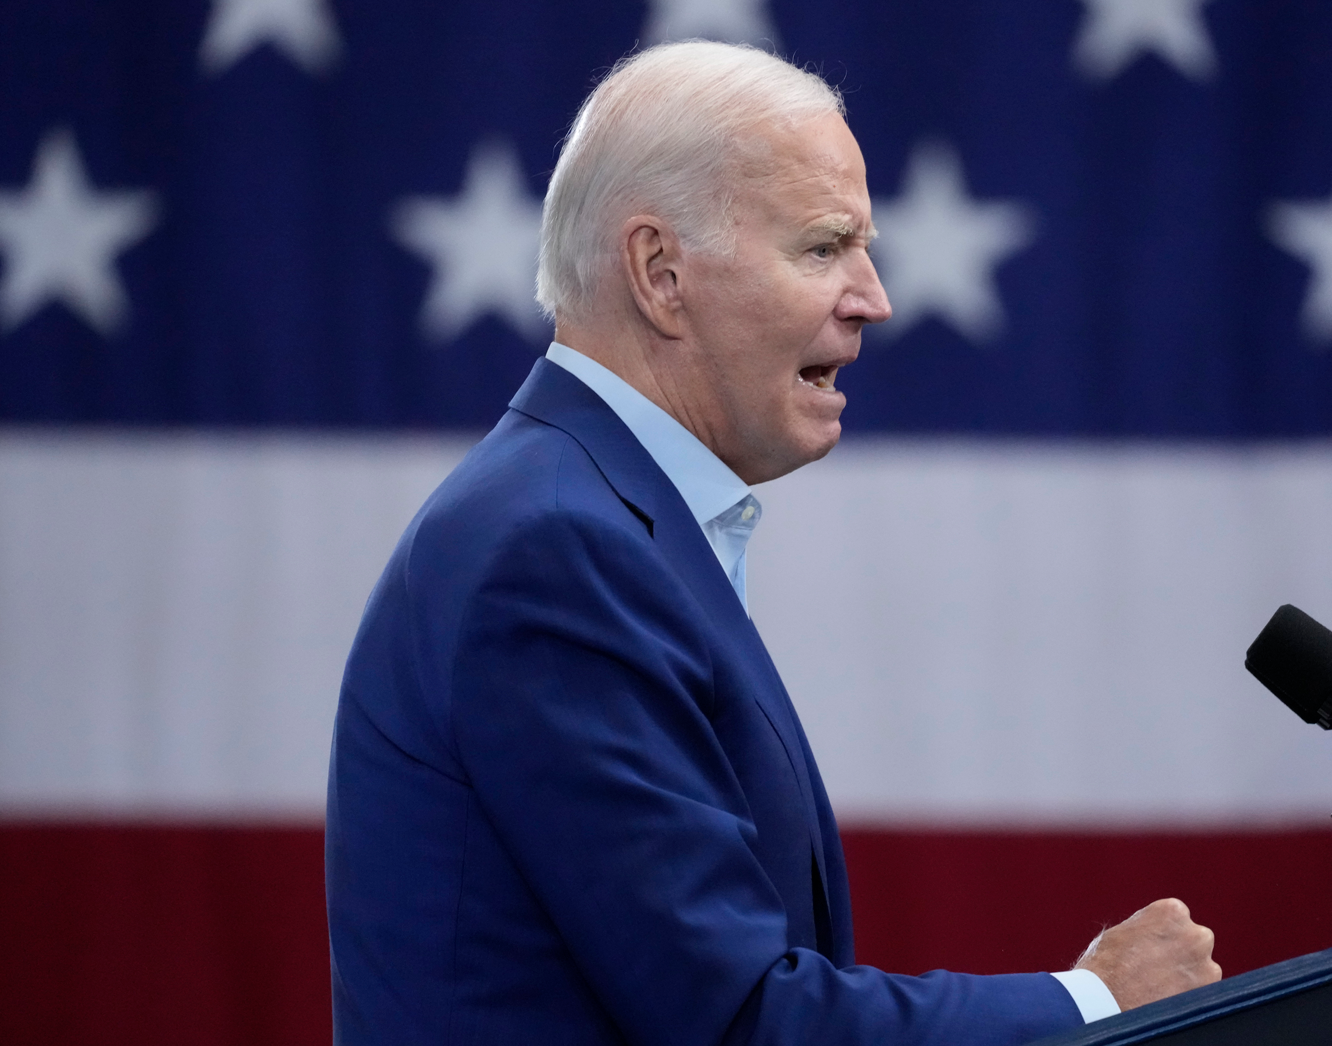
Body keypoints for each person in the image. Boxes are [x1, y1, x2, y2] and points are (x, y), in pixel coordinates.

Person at [325, 40, 1220, 1045]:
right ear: (662, 272)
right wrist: (1095, 999)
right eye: (825, 246)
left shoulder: (591, 517)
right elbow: (741, 1017)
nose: (874, 296)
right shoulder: (555, 551)